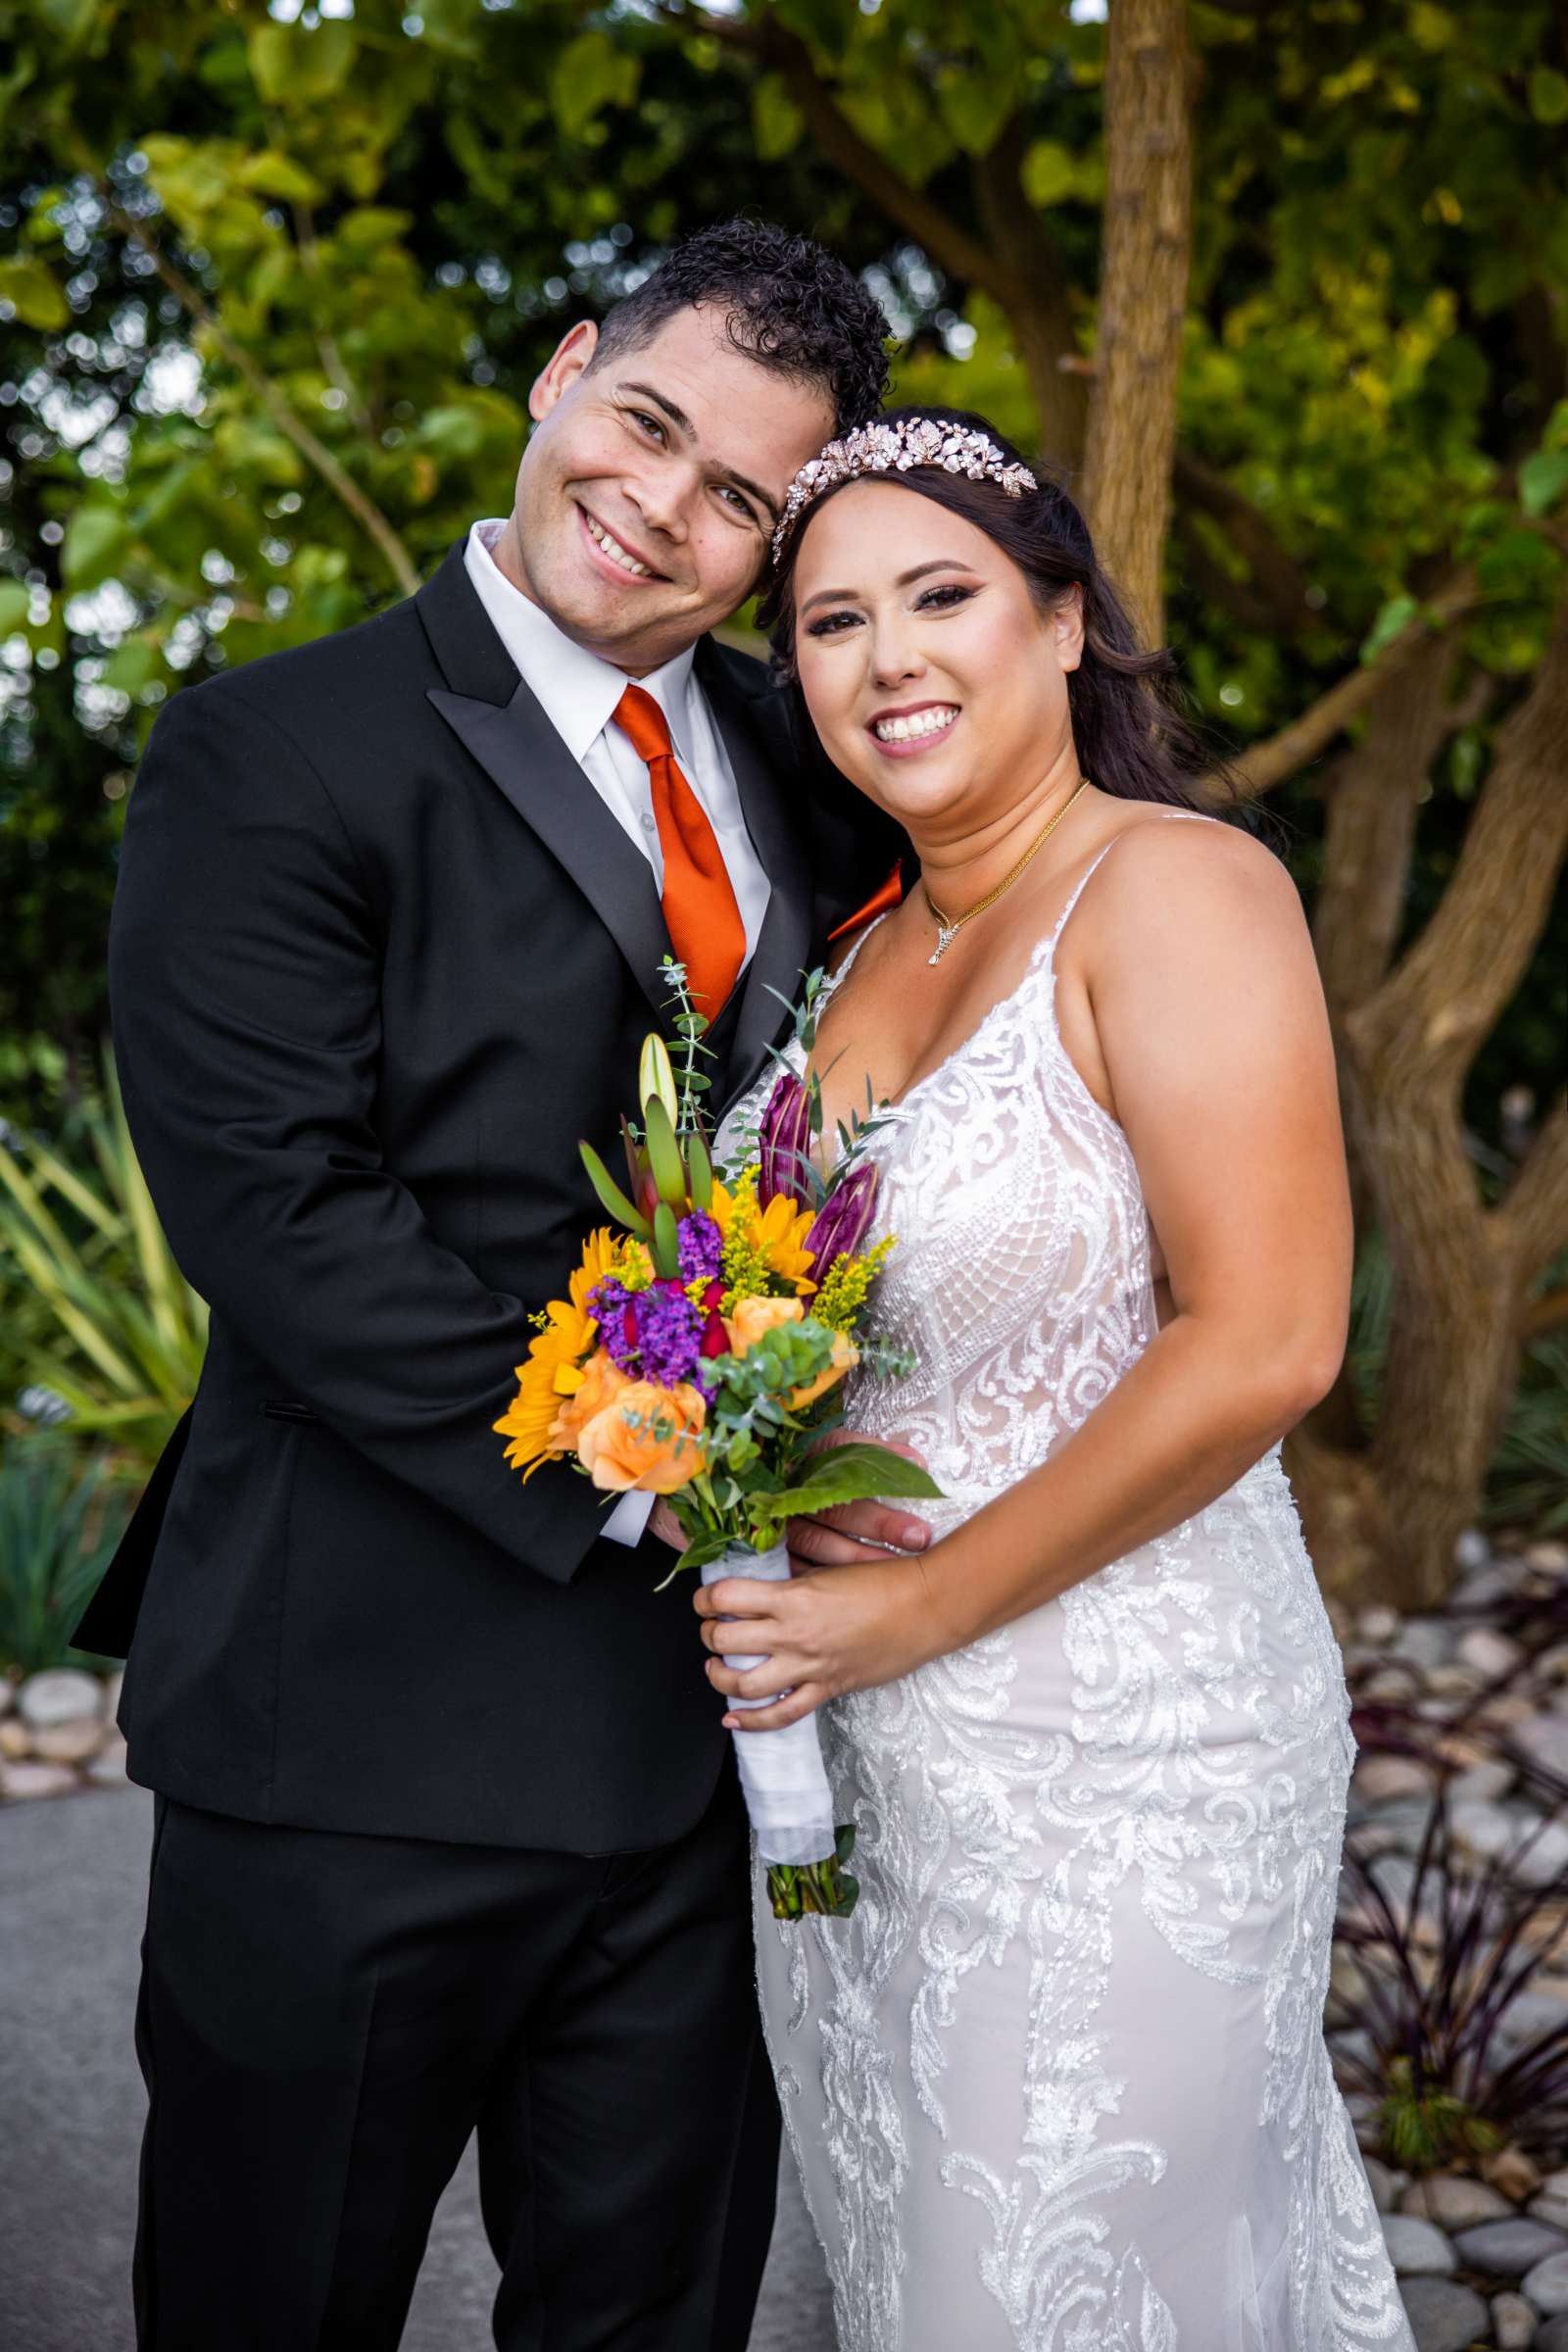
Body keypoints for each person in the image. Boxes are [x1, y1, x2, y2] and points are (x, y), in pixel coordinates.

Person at [74, 222, 922, 2352]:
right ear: (562, 374)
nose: (658, 507)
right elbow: (283, 1217)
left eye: (738, 494)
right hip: (353, 1733)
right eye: (647, 424)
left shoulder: (804, 762)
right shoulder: (273, 750)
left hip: (707, 1762)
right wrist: (679, 1483)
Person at [697, 408, 1417, 2350]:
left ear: (1065, 620)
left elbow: (1266, 1336)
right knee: (909, 2267)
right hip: (867, 1768)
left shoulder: (1174, 893)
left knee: (1053, 2283)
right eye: (830, 624)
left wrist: (914, 1602)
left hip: (1119, 1758)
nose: (884, 661)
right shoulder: (852, 954)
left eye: (938, 596)